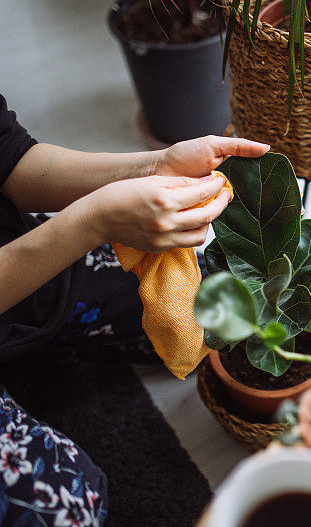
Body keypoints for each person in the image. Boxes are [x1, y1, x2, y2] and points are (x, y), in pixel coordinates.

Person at [0, 92, 269, 525]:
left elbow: (10, 160)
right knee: (71, 508)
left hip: (15, 258)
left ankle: (34, 346)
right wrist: (93, 222)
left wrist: (152, 166)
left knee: (212, 306)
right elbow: (91, 221)